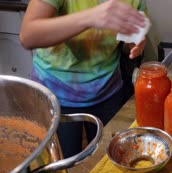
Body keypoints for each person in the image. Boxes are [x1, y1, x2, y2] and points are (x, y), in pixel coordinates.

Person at [20, 0, 147, 158]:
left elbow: (132, 34)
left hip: (108, 91)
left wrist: (136, 41)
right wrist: (91, 17)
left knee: (107, 159)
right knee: (65, 162)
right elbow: (28, 35)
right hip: (57, 96)